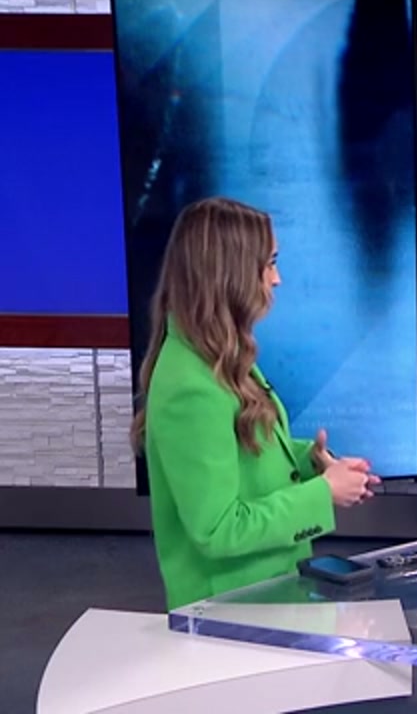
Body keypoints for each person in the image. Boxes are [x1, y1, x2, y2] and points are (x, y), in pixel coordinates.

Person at [131, 197, 378, 610]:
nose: (277, 279)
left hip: (268, 597)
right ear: (230, 272)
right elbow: (218, 529)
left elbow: (237, 450)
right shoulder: (190, 385)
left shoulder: (217, 353)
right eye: (269, 264)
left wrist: (310, 461)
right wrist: (323, 494)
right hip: (230, 612)